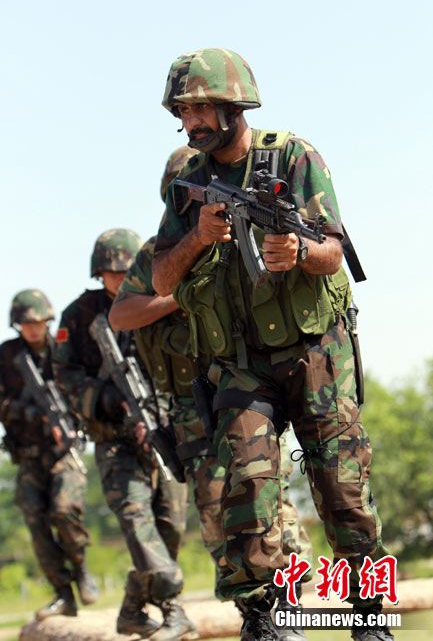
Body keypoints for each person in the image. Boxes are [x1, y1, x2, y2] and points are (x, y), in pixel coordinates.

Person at [152, 49, 391, 641]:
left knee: (342, 488)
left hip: (315, 353)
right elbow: (160, 279)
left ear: (234, 104)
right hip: (240, 364)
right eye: (183, 112)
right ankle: (264, 617)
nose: (191, 121)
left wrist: (300, 252)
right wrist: (199, 238)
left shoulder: (294, 156)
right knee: (247, 487)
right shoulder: (189, 184)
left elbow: (334, 250)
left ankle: (370, 619)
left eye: (200, 108)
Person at [109, 148, 314, 641]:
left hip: (250, 386)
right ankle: (254, 613)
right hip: (193, 405)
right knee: (217, 508)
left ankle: (287, 604)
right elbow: (121, 314)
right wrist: (177, 291)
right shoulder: (158, 252)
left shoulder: (247, 230)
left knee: (267, 495)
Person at [52, 229, 195, 640]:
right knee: (136, 520)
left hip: (164, 429)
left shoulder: (157, 301)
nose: (121, 276)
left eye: (126, 269)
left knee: (168, 528)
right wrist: (107, 398)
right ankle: (173, 608)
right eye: (112, 271)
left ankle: (133, 607)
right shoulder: (78, 315)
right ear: (99, 272)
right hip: (114, 440)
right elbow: (63, 375)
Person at [0, 289, 98, 620]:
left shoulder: (63, 350)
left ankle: (81, 568)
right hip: (28, 456)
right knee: (37, 524)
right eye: (27, 323)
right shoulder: (7, 356)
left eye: (39, 322)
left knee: (65, 510)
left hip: (63, 452)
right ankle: (62, 593)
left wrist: (69, 419)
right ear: (17, 324)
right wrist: (32, 414)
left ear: (48, 321)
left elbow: (83, 389)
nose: (33, 328)